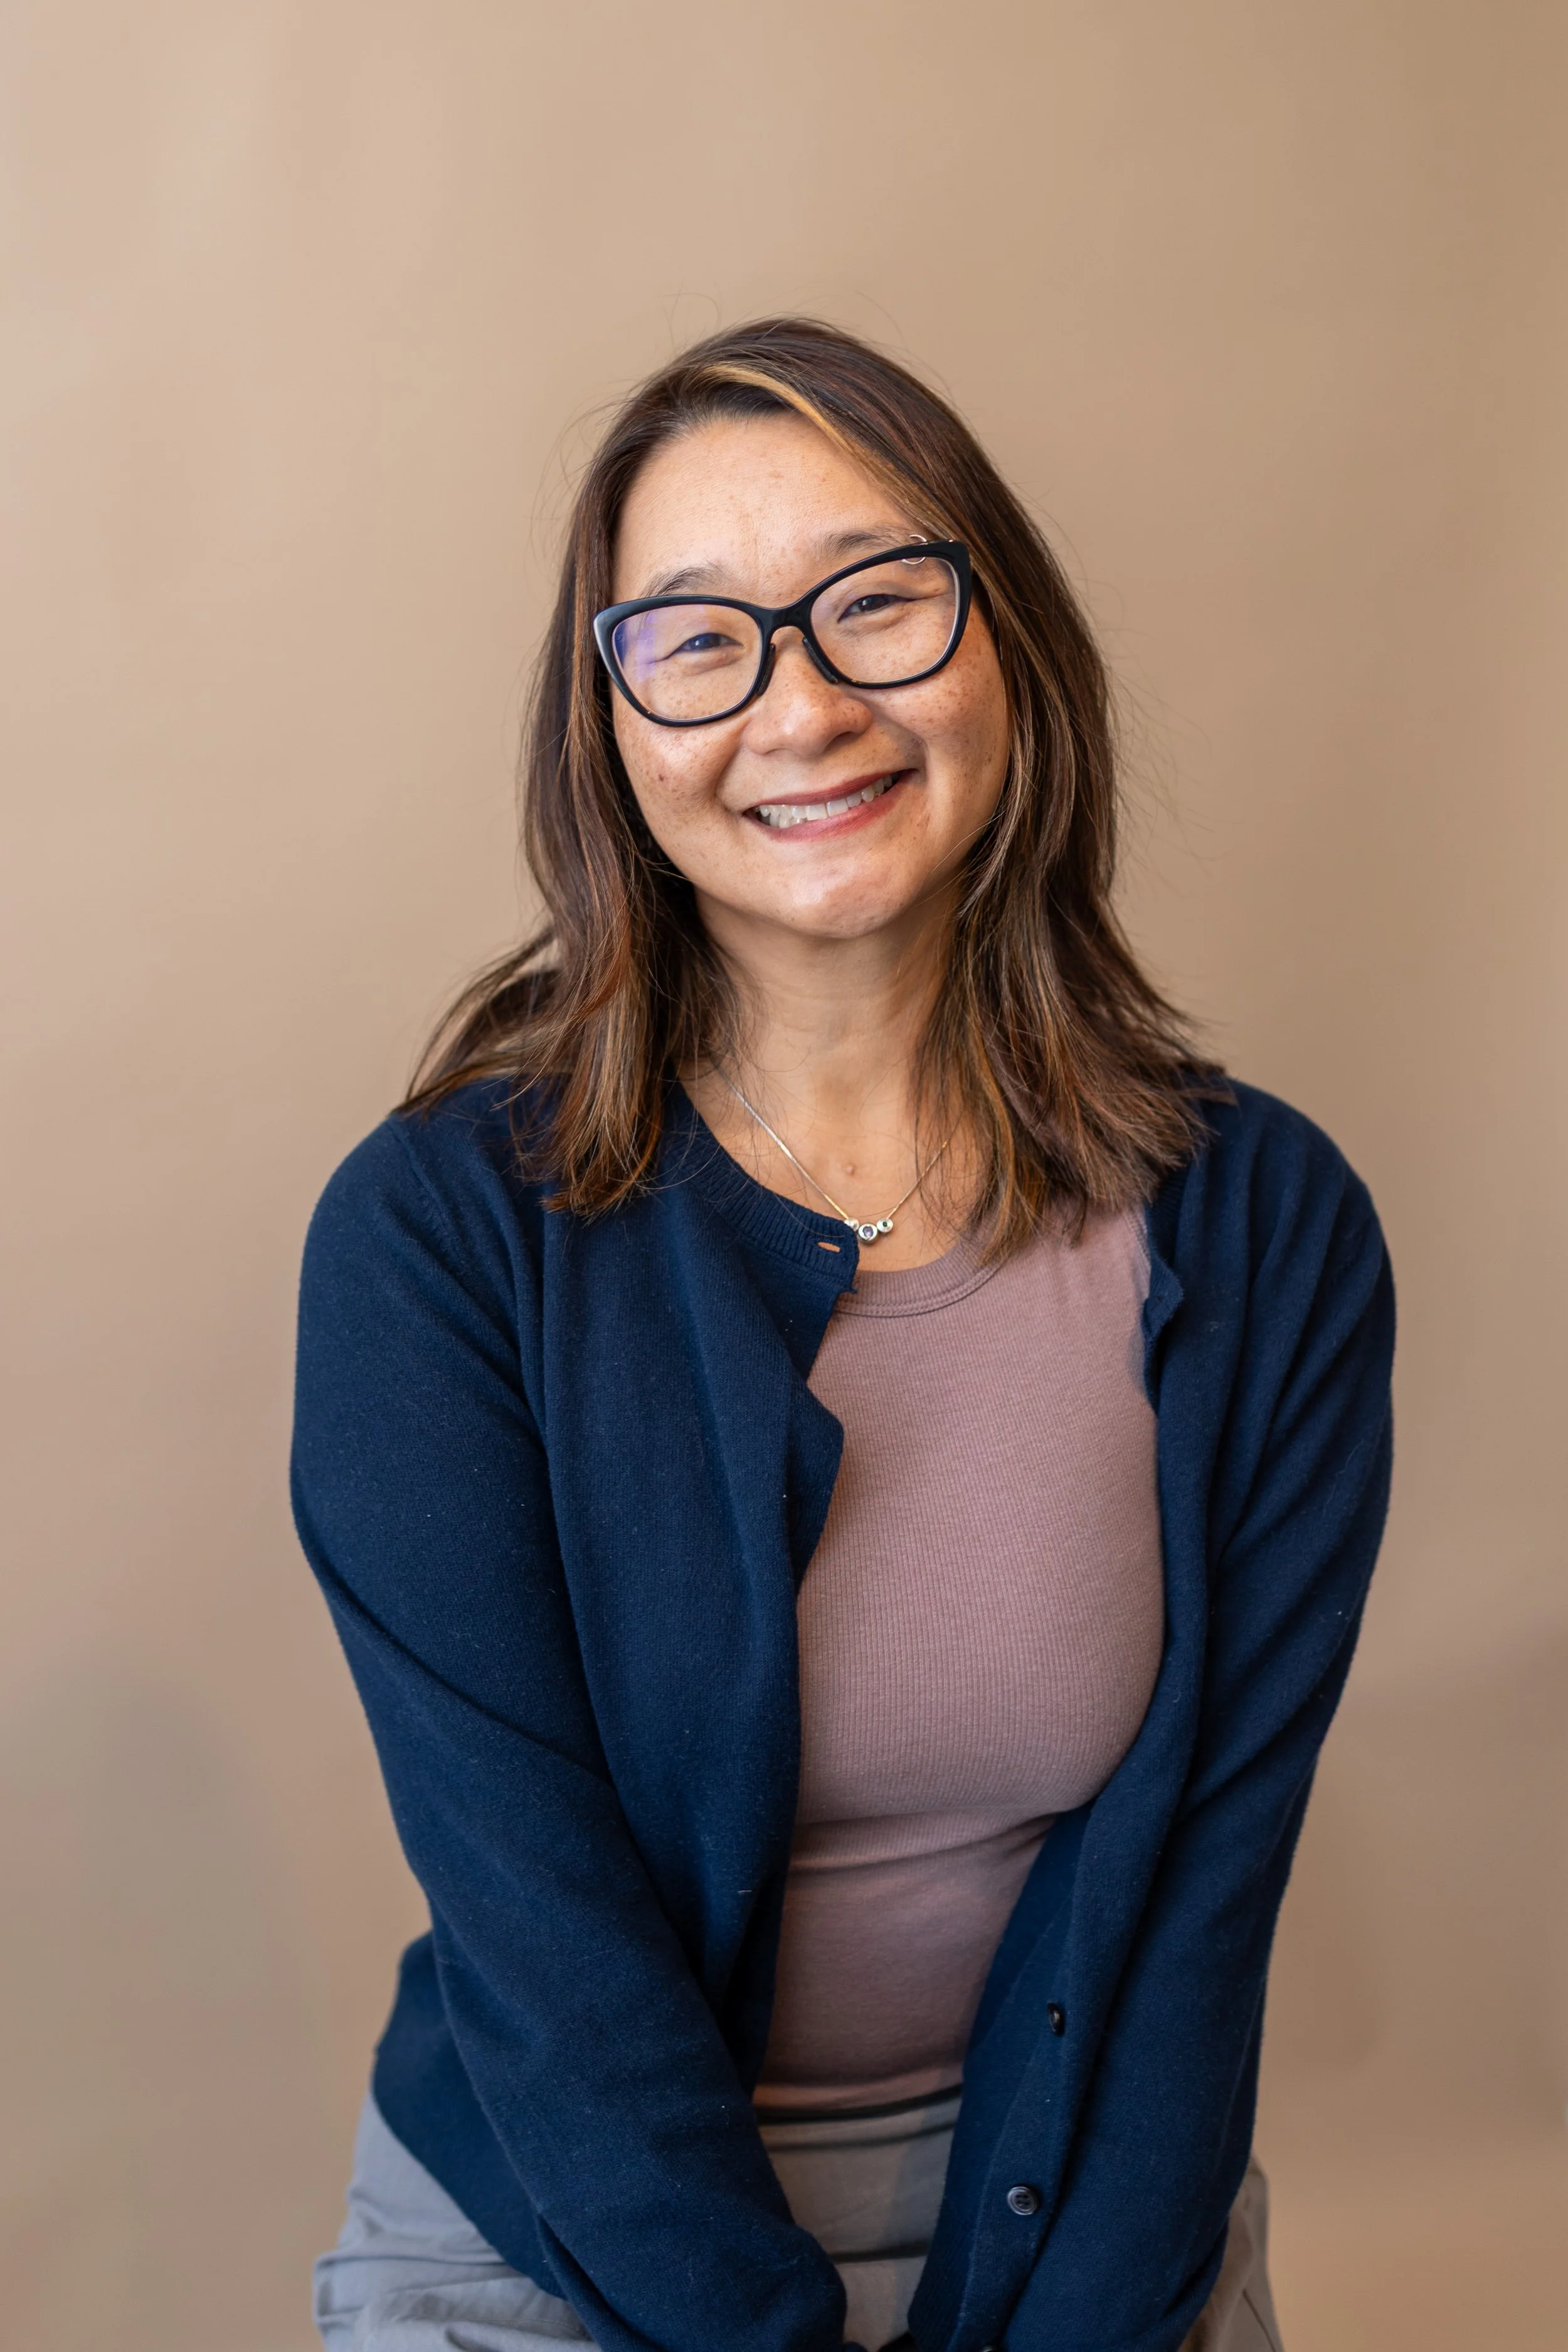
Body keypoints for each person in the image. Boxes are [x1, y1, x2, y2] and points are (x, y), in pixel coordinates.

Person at [293, 318, 1394, 2352]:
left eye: (876, 600)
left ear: (1007, 644)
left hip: (1089, 2208)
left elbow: (1203, 1899)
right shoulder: (438, 1236)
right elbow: (541, 1936)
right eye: (695, 640)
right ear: (609, 729)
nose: (800, 707)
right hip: (568, 2225)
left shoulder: (1265, 1226)